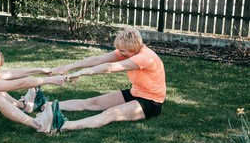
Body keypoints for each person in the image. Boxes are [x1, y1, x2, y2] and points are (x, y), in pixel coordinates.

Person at [37, 27, 166, 133]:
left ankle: (62, 125)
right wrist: (67, 67)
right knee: (93, 102)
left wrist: (81, 73)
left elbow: (109, 67)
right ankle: (46, 105)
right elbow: (97, 60)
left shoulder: (144, 57)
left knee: (111, 113)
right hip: (135, 93)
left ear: (134, 47)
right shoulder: (128, 51)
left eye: (122, 51)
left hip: (151, 102)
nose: (119, 54)